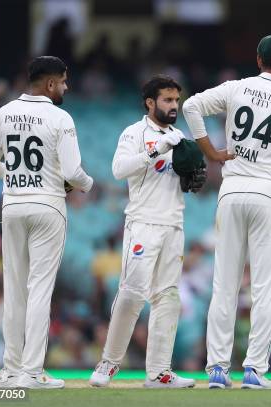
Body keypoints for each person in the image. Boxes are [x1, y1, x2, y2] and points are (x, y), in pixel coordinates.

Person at [183, 34, 271, 389]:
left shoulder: (236, 88)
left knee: (224, 283)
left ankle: (218, 370)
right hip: (269, 194)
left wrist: (210, 150)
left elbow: (191, 106)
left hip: (233, 189)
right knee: (264, 287)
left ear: (257, 59)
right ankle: (254, 369)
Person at [0, 56, 93, 388]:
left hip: (13, 206)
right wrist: (88, 184)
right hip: (47, 207)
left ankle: (9, 370)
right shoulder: (60, 117)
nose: (67, 87)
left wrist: (18, 175)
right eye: (64, 81)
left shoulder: (3, 113)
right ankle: (31, 373)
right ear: (51, 83)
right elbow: (72, 173)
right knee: (39, 289)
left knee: (14, 290)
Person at [89, 75, 205, 389]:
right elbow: (118, 170)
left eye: (176, 101)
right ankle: (109, 363)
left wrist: (191, 176)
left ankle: (159, 372)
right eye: (167, 100)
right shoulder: (134, 133)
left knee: (167, 297)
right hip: (142, 223)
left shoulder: (179, 136)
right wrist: (155, 151)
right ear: (150, 102)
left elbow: (186, 179)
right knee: (132, 292)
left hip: (174, 224)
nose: (173, 106)